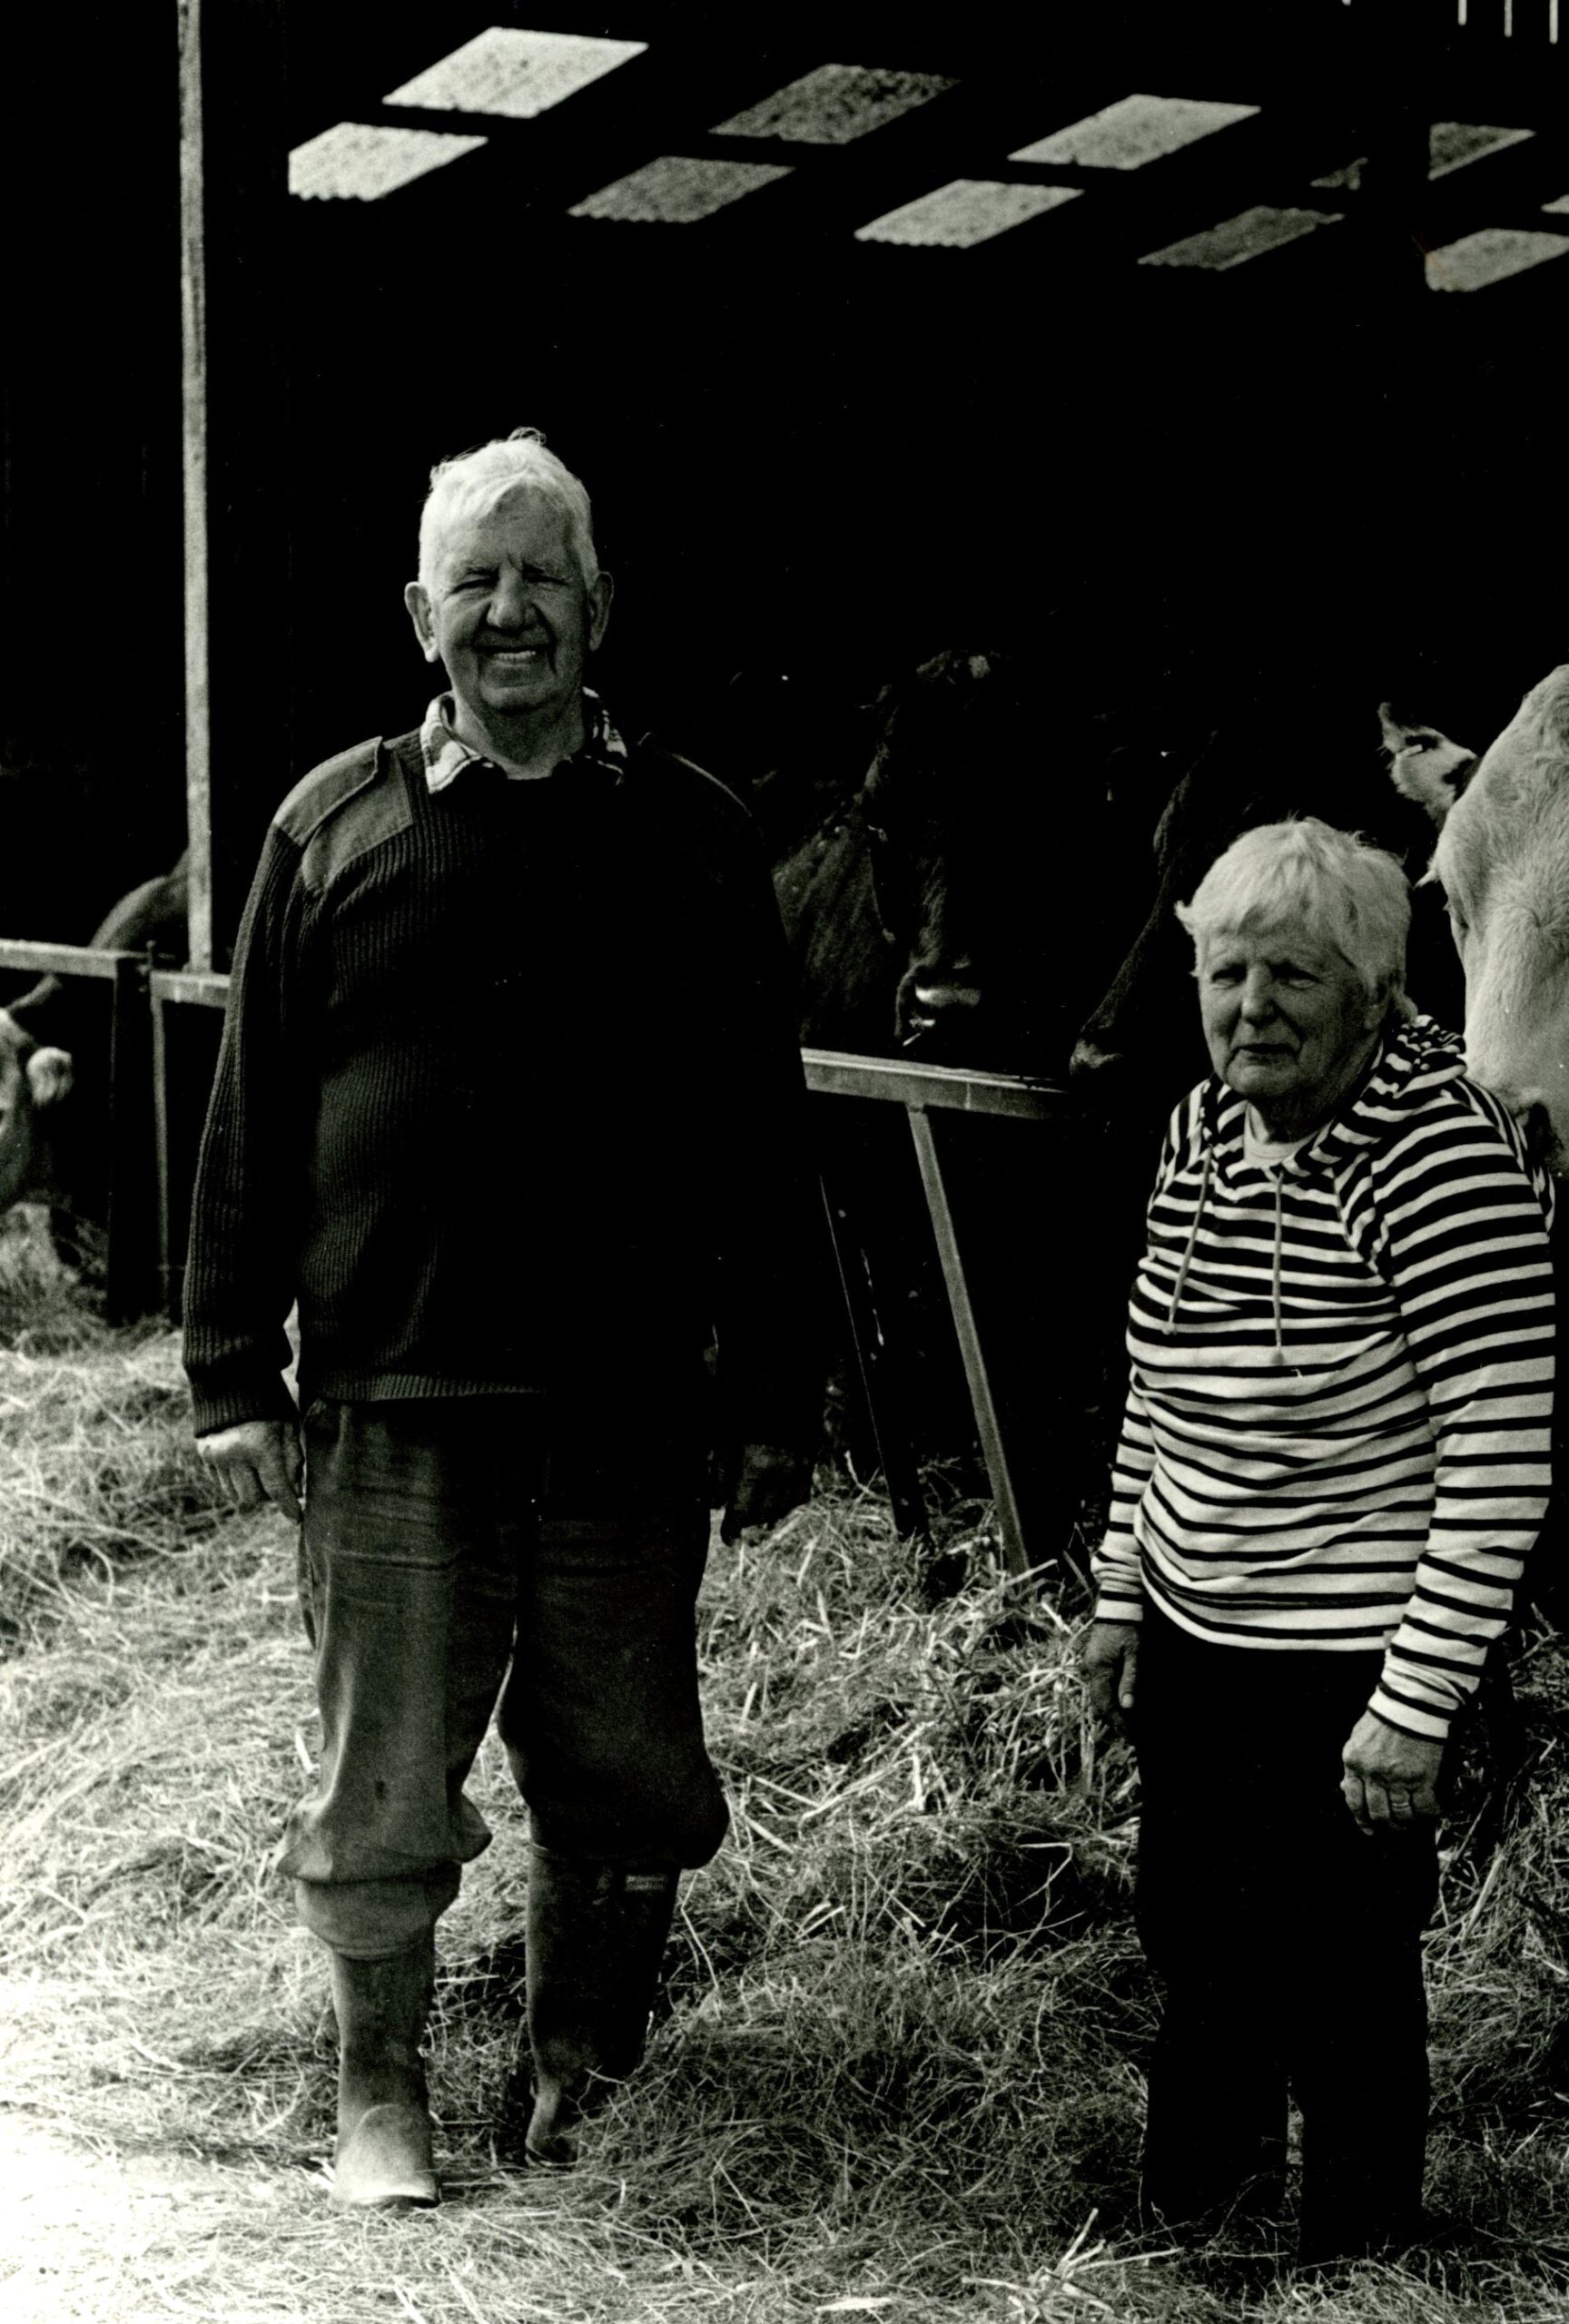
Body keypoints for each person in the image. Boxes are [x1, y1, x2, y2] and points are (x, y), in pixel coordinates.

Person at [184, 428, 821, 2211]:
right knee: (379, 1778)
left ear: (599, 605)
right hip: (393, 1397)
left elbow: (760, 1139)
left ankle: (579, 2078)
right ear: (419, 613)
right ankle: (377, 2090)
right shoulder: (332, 826)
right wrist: (233, 1366)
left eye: (543, 572)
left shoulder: (693, 836)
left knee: (621, 1763)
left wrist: (774, 1384)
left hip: (623, 1410)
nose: (510, 607)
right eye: (475, 577)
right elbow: (251, 1116)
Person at [1082, 816, 1554, 2266]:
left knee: (1345, 1966)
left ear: (1377, 992)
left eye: (1290, 976)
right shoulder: (1201, 1129)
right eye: (1224, 975)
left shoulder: (1437, 1156)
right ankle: (1196, 2228)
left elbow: (1498, 1455)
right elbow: (1155, 1379)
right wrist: (1117, 1599)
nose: (1249, 1010)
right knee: (1196, 1941)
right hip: (1199, 1629)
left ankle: (1357, 2256)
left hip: (1351, 1657)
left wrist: (1410, 1709)